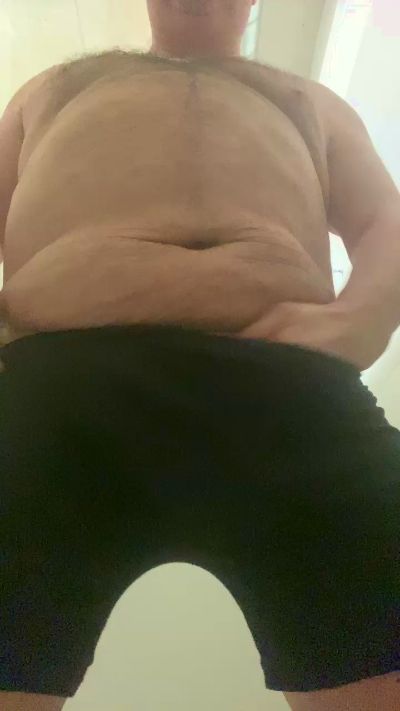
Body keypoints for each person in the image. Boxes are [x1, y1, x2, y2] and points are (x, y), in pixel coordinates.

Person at [0, 1, 399, 709]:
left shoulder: (308, 100)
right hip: (52, 389)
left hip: (290, 393)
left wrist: (360, 321)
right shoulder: (53, 86)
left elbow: (383, 220)